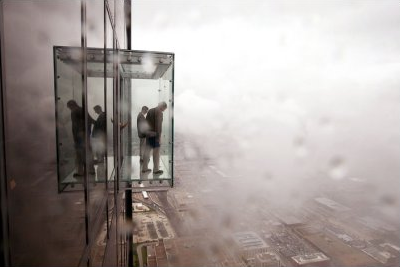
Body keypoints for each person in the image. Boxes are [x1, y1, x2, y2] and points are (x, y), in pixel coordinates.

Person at [66, 100, 95, 177]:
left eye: (68, 107)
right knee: (88, 152)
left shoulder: (74, 111)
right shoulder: (82, 109)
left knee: (79, 153)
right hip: (85, 135)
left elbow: (75, 126)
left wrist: (78, 135)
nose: (69, 108)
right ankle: (91, 170)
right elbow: (91, 120)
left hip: (80, 135)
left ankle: (80, 172)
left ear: (71, 105)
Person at [142, 102, 167, 175]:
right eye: (164, 109)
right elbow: (158, 126)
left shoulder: (150, 111)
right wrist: (158, 137)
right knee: (156, 153)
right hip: (155, 135)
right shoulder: (159, 112)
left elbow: (146, 122)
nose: (163, 111)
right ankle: (156, 170)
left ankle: (144, 168)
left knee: (147, 152)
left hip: (148, 134)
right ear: (162, 106)